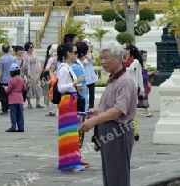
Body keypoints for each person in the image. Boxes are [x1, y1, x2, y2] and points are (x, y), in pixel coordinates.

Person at [79, 41, 137, 186]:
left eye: (106, 58)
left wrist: (94, 120)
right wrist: (98, 111)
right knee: (110, 173)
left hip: (118, 131)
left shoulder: (124, 81)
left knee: (117, 175)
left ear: (118, 59)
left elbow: (118, 110)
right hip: (109, 129)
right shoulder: (114, 78)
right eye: (102, 58)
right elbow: (114, 106)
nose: (103, 62)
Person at [57, 42, 86, 172]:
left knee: (72, 133)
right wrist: (75, 83)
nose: (76, 54)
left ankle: (73, 161)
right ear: (68, 53)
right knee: (67, 134)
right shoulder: (63, 68)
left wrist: (76, 87)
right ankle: (67, 163)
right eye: (74, 52)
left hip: (72, 100)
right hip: (67, 101)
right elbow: (60, 88)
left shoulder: (69, 68)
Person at [123, 43, 144, 141]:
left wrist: (142, 89)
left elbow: (139, 76)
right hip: (122, 87)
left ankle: (135, 131)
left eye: (125, 49)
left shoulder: (135, 62)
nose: (124, 50)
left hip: (132, 87)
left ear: (129, 50)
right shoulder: (120, 61)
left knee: (133, 110)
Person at [4, 62, 27, 132]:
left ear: (11, 73)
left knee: (13, 114)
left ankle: (13, 127)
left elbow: (8, 90)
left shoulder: (11, 81)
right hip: (20, 99)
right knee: (20, 114)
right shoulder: (22, 80)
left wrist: (5, 88)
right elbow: (25, 89)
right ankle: (21, 127)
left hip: (12, 99)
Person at [23, 42, 43, 109]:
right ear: (27, 48)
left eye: (32, 47)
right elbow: (25, 65)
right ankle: (29, 103)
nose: (32, 49)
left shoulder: (35, 54)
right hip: (29, 71)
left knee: (38, 86)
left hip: (35, 71)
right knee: (29, 86)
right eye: (30, 47)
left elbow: (37, 63)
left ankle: (38, 103)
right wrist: (27, 74)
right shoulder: (25, 55)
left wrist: (39, 74)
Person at [140, 50, 159, 117]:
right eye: (144, 56)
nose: (146, 57)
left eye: (146, 56)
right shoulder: (139, 64)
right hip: (141, 83)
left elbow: (146, 73)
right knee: (144, 97)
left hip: (145, 82)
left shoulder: (144, 64)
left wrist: (153, 72)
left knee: (143, 97)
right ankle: (148, 112)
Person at [0, 44, 15, 116]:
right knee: (11, 95)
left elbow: (0, 71)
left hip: (3, 80)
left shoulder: (1, 59)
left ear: (2, 50)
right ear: (9, 49)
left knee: (3, 96)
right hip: (11, 79)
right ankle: (10, 108)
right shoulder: (13, 58)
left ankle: (4, 110)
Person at [82, 40, 98, 109]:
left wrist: (91, 51)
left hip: (91, 76)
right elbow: (84, 63)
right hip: (84, 76)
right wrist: (87, 55)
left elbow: (94, 60)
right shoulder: (81, 54)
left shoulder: (89, 53)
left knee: (92, 93)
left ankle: (91, 106)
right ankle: (85, 106)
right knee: (84, 93)